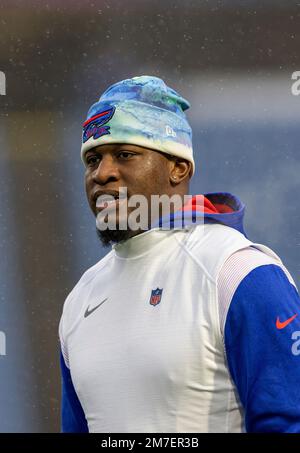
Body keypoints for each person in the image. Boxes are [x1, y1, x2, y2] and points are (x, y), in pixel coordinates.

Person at [59, 75, 300, 433]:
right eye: (92, 160)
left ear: (178, 168)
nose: (103, 173)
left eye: (124, 154)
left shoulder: (238, 271)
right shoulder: (79, 300)